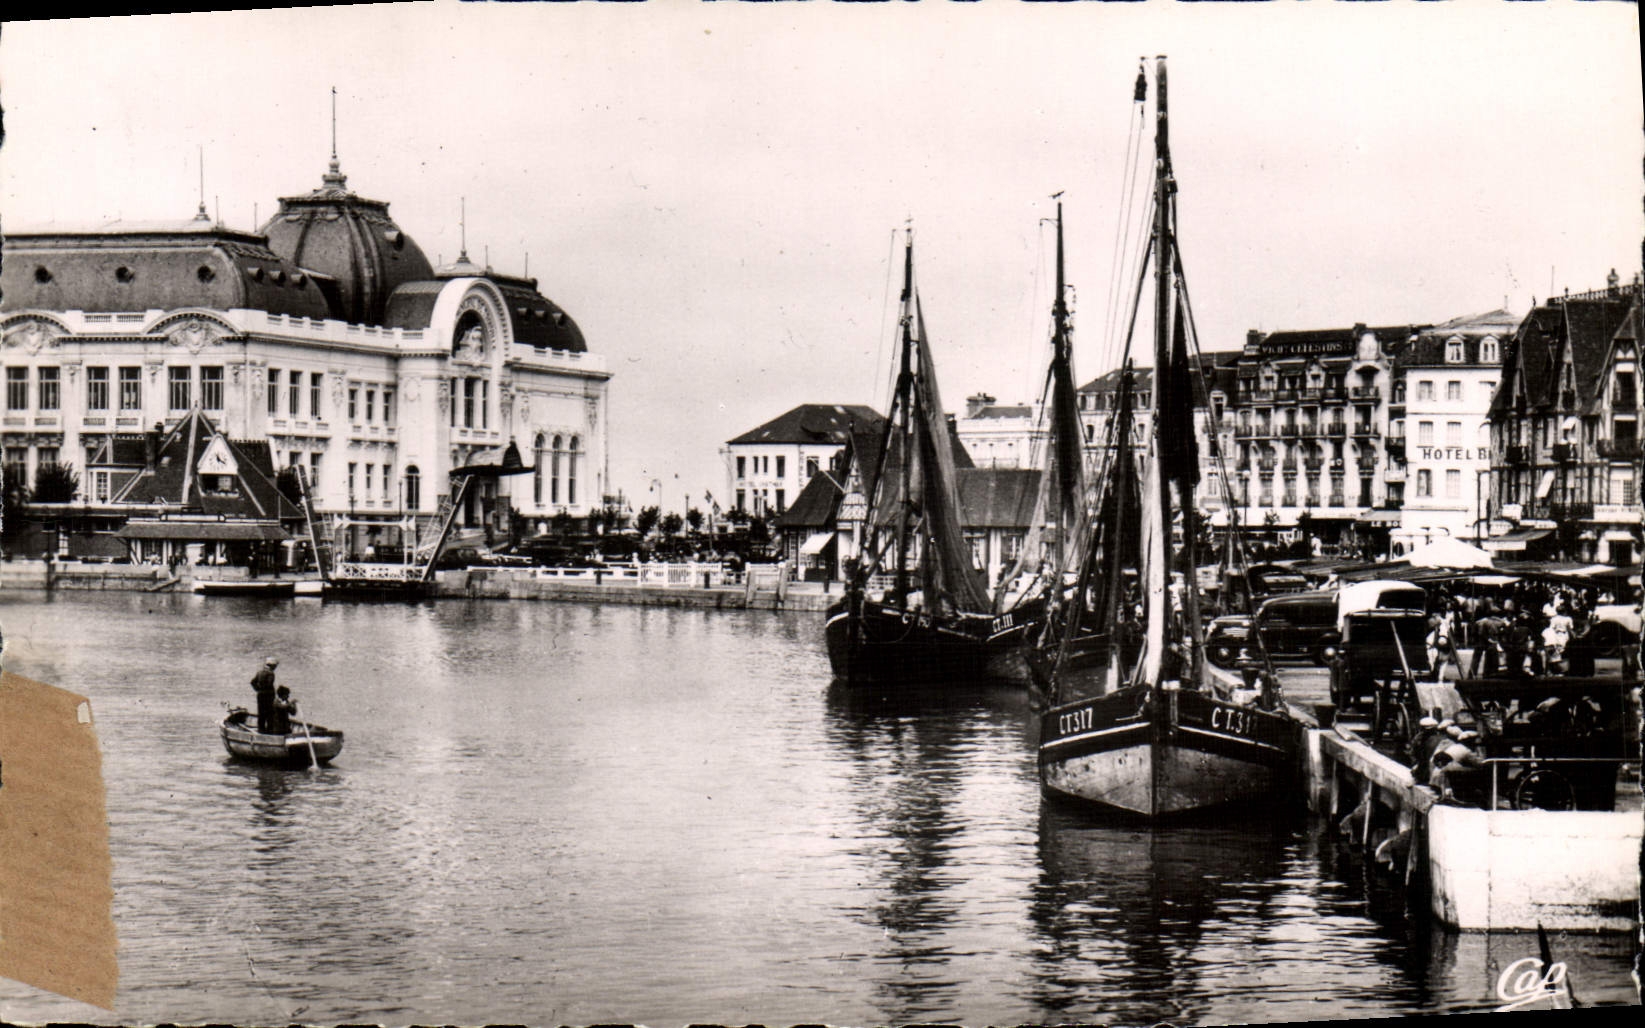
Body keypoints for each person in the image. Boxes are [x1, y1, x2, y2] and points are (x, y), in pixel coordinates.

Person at [250, 657, 279, 733]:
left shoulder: (260, 672)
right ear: (272, 665)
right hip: (268, 696)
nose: (275, 668)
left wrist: (258, 689)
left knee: (261, 713)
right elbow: (269, 684)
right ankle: (270, 731)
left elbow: (253, 682)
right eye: (275, 666)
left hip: (260, 695)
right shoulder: (270, 673)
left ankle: (261, 730)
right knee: (270, 714)